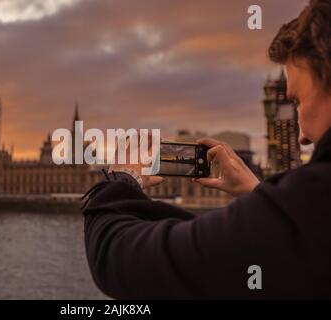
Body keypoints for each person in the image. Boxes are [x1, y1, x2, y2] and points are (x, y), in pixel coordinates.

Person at [82, 0, 331, 299]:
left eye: (299, 101)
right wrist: (261, 195)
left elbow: (120, 257)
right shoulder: (307, 215)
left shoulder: (317, 198)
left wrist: (120, 180)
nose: (302, 135)